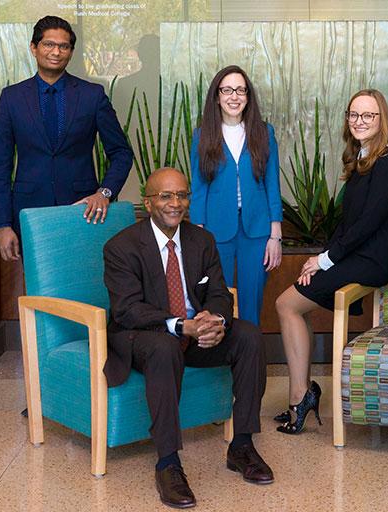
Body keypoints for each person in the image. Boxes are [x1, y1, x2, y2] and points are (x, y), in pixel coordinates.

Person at [103, 168, 273, 509]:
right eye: (166, 196)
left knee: (250, 335)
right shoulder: (121, 247)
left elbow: (220, 293)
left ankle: (241, 445)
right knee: (166, 347)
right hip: (144, 337)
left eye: (182, 195)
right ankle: (168, 463)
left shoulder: (201, 240)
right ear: (148, 202)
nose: (176, 203)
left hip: (196, 334)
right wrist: (181, 325)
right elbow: (128, 310)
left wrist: (216, 320)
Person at [273, 89, 388, 434]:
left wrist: (326, 260)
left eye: (368, 116)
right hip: (356, 253)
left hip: (373, 260)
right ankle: (302, 394)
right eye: (354, 115)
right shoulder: (360, 158)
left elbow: (367, 225)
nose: (360, 122)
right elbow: (347, 223)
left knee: (286, 304)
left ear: (381, 121)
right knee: (292, 304)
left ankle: (301, 396)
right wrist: (319, 258)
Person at [0, 15, 133, 261]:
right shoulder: (12, 98)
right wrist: (3, 225)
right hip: (30, 213)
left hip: (83, 212)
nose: (56, 51)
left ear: (71, 51)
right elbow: (1, 166)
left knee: (82, 284)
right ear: (34, 48)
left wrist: (105, 193)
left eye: (63, 46)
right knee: (39, 289)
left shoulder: (92, 95)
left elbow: (121, 153)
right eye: (49, 44)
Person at [190, 65, 282, 327]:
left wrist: (275, 235)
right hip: (216, 231)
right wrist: (198, 238)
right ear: (217, 96)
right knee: (219, 301)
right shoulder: (202, 136)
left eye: (240, 90)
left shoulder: (264, 133)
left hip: (257, 230)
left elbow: (272, 184)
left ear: (248, 96)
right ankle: (223, 363)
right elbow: (198, 189)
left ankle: (250, 364)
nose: (234, 96)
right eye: (227, 90)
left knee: (252, 302)